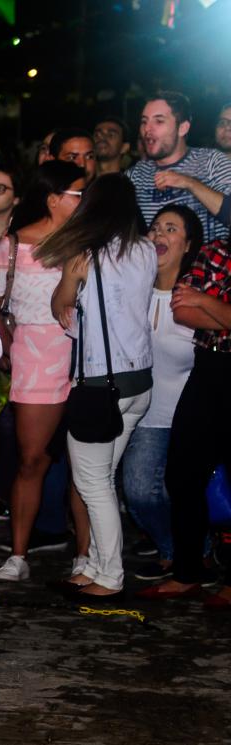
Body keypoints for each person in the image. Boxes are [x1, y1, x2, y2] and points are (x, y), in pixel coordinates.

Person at [43, 174, 157, 598]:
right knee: (103, 478)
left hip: (99, 385)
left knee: (93, 482)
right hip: (139, 383)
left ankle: (109, 576)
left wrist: (70, 278)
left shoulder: (86, 255)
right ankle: (92, 567)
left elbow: (61, 308)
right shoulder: (146, 250)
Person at [0, 161, 88, 583]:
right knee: (31, 459)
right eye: (78, 194)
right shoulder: (11, 246)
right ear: (53, 199)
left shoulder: (86, 243)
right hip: (33, 358)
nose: (85, 201)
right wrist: (7, 349)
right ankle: (19, 555)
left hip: (85, 359)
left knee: (87, 464)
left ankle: (86, 555)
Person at [135, 228, 231, 607]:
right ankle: (188, 572)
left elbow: (196, 304)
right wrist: (215, 309)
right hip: (207, 370)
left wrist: (205, 299)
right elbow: (182, 309)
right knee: (181, 473)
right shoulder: (215, 250)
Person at [121, 205, 203, 583]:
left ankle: (187, 553)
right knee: (138, 492)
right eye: (155, 227)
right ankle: (180, 549)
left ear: (187, 245)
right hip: (144, 414)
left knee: (180, 491)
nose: (159, 235)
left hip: (188, 415)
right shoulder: (133, 288)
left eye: (171, 229)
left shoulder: (198, 296)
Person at [126, 91, 231, 243]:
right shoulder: (136, 175)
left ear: (183, 128)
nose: (147, 129)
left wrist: (189, 183)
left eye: (159, 121)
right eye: (144, 121)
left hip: (204, 264)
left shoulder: (212, 161)